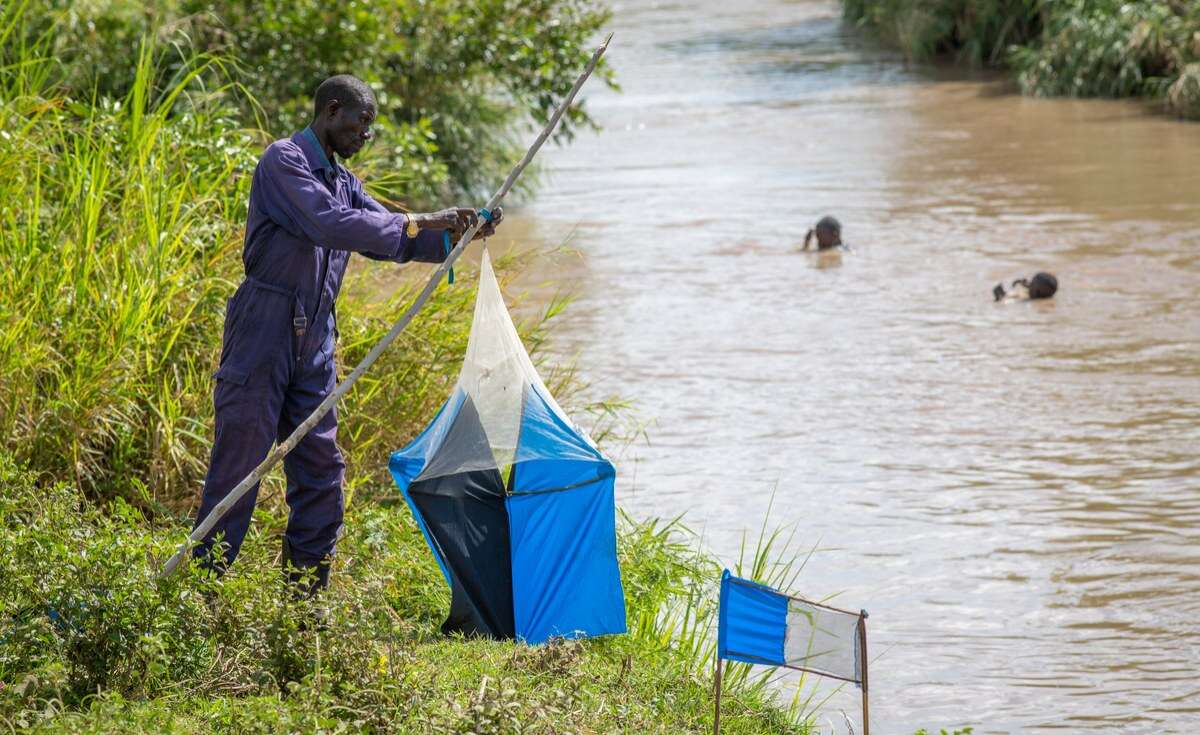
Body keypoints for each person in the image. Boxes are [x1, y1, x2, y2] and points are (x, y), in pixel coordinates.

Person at [190, 74, 502, 601]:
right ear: (332, 112)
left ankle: (303, 610)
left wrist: (456, 235)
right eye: (362, 123)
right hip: (263, 329)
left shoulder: (344, 179)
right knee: (239, 466)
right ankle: (199, 598)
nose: (365, 135)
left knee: (322, 471)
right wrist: (421, 218)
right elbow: (332, 225)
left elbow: (389, 237)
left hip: (315, 341)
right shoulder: (284, 162)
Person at [993, 272, 1058, 302]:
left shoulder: (1026, 301)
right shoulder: (1033, 295)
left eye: (1032, 283)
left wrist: (999, 298)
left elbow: (1006, 302)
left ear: (1037, 292)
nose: (1029, 284)